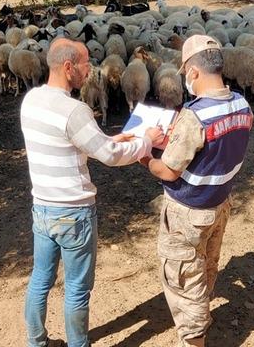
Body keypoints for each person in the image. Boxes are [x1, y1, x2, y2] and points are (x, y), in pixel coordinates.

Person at [20, 38, 164, 347]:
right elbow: (110, 156)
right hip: (73, 212)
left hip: (42, 208)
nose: (91, 69)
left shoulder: (31, 100)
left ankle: (36, 341)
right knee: (76, 288)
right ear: (69, 67)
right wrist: (146, 141)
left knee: (40, 279)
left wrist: (114, 138)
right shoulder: (75, 110)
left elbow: (80, 142)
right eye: (86, 63)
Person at [140, 35, 254, 346]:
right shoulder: (242, 104)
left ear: (193, 72)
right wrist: (179, 142)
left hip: (187, 213)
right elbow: (216, 146)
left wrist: (145, 156)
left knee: (183, 278)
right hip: (219, 205)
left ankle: (193, 339)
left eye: (184, 73)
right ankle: (200, 317)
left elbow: (168, 169)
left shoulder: (195, 115)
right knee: (206, 265)